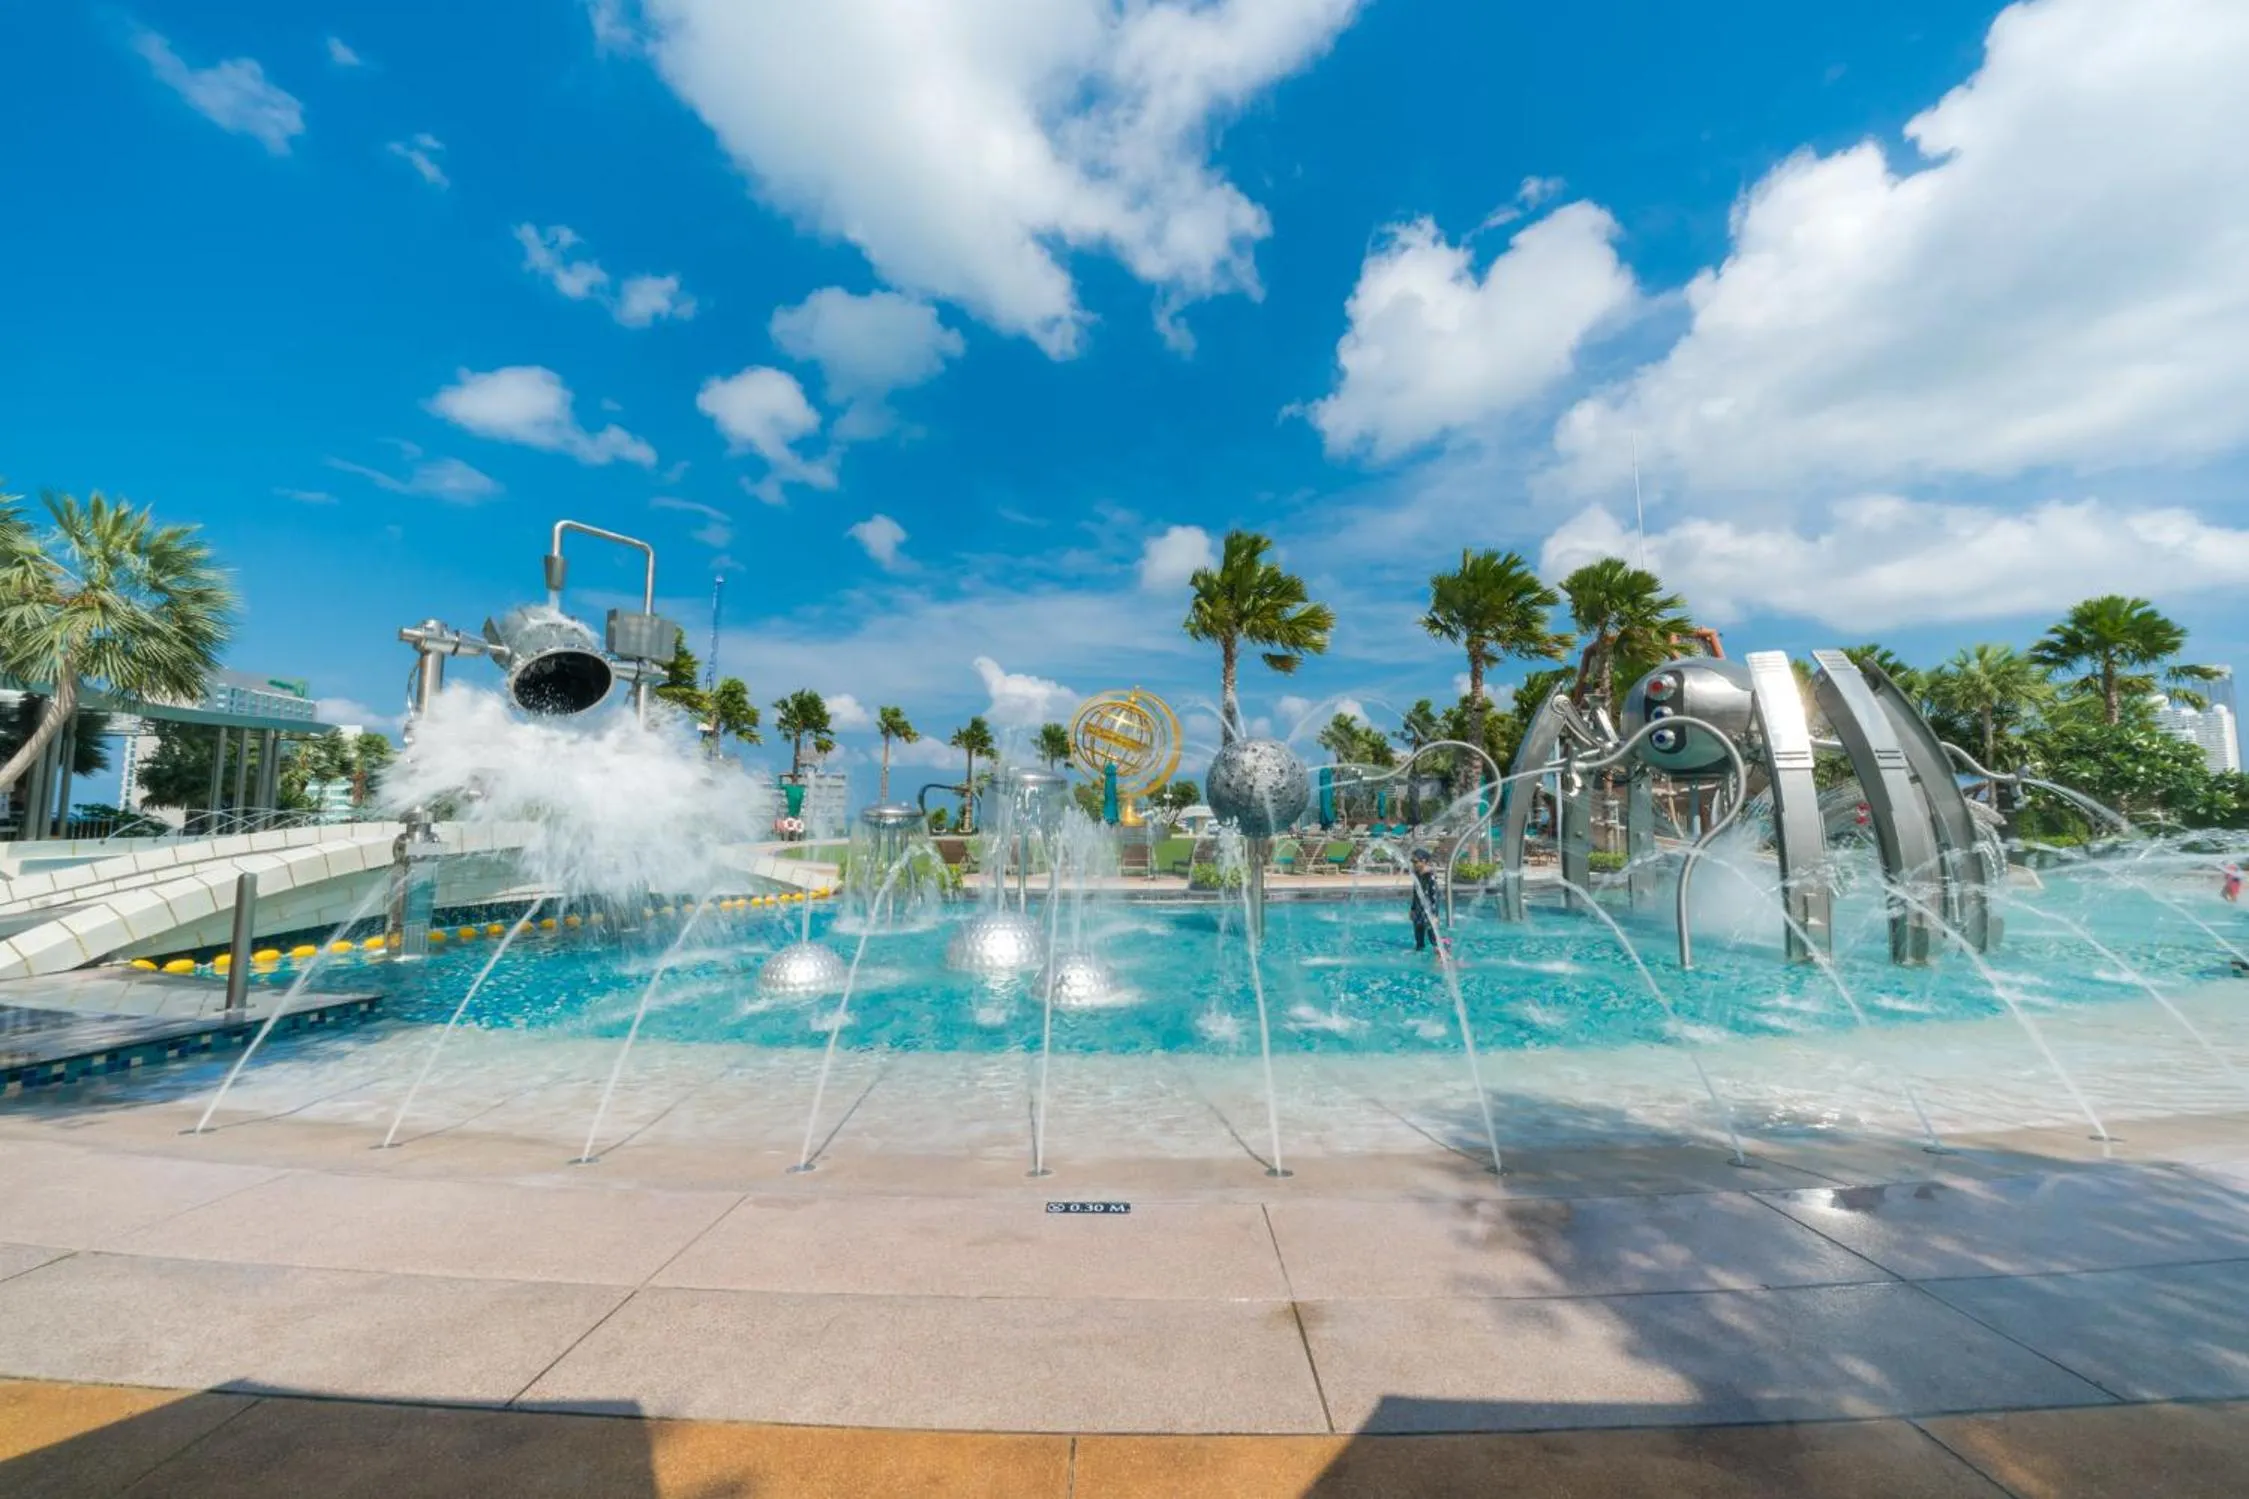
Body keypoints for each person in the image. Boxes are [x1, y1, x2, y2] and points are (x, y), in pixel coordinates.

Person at [1409, 847, 1442, 952]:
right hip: (1419, 909)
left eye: (1415, 861)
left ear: (1423, 861)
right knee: (1419, 936)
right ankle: (1419, 951)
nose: (1413, 864)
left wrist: (1435, 915)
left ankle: (1439, 955)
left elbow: (1435, 896)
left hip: (1429, 910)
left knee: (1433, 938)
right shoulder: (1417, 874)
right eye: (1412, 861)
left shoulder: (1430, 876)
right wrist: (1412, 908)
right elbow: (1415, 892)